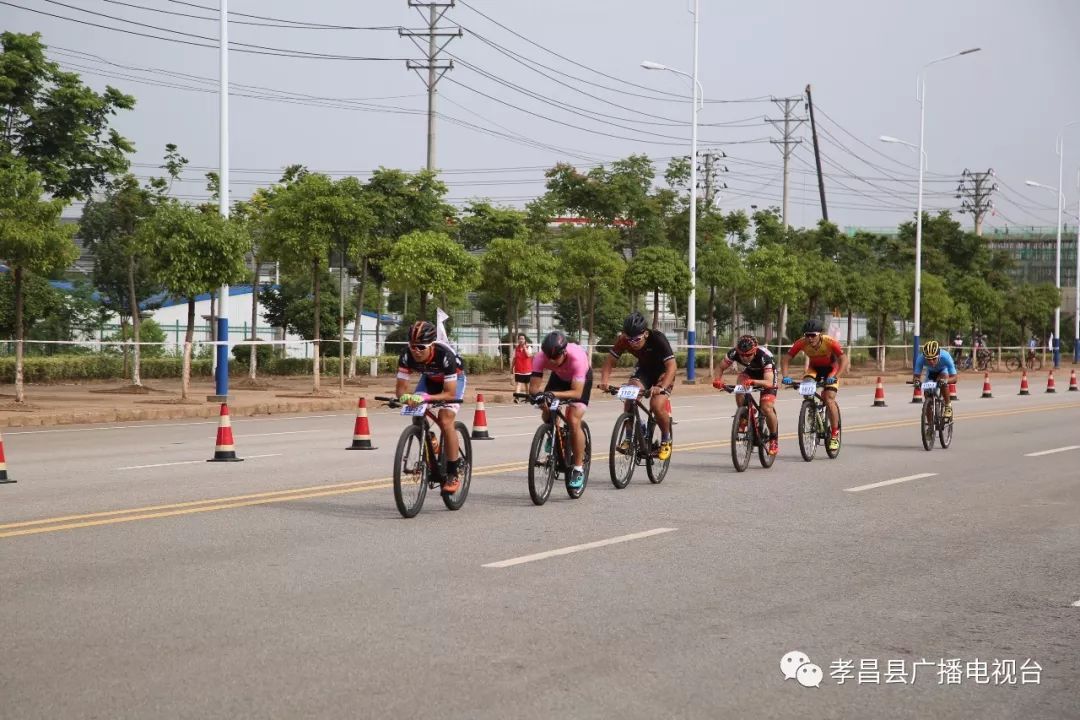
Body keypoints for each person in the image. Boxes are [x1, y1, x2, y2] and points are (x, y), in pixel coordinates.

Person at [395, 320, 467, 493]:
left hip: (453, 381)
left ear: (431, 345)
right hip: (430, 379)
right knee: (416, 410)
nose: (416, 351)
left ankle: (453, 473)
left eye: (421, 347)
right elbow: (400, 390)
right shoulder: (406, 355)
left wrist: (427, 397)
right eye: (412, 346)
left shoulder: (445, 356)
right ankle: (429, 437)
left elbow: (449, 394)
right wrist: (405, 398)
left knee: (445, 419)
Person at [599, 311, 677, 461]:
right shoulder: (623, 340)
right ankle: (629, 438)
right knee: (630, 395)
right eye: (630, 339)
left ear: (645, 334)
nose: (633, 343)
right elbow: (609, 362)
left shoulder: (658, 338)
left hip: (663, 372)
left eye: (636, 339)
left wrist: (661, 387)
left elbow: (672, 366)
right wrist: (604, 381)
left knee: (656, 405)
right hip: (644, 370)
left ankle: (666, 439)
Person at [529, 330, 593, 490]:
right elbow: (534, 388)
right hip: (559, 377)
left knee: (573, 419)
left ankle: (578, 468)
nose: (552, 360)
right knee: (545, 404)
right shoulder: (540, 357)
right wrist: (540, 397)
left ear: (564, 352)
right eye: (549, 357)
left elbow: (577, 393)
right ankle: (554, 433)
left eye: (555, 357)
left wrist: (552, 394)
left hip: (580, 382)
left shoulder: (577, 358)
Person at [781, 319, 848, 452]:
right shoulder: (801, 343)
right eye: (807, 335)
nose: (810, 338)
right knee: (807, 391)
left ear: (820, 334)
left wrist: (836, 377)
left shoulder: (829, 342)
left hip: (831, 369)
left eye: (813, 335)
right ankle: (812, 410)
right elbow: (786, 359)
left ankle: (834, 434)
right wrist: (785, 376)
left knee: (829, 398)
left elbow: (844, 359)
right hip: (814, 369)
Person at [712, 334, 780, 455]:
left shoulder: (764, 357)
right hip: (751, 372)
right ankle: (745, 414)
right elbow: (720, 367)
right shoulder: (734, 353)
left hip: (767, 376)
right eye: (742, 355)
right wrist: (717, 380)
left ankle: (773, 439)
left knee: (766, 408)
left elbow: (769, 382)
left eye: (748, 355)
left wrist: (754, 382)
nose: (744, 358)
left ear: (754, 351)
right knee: (740, 384)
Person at [912, 339, 957, 419]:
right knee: (927, 395)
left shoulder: (946, 357)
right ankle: (930, 424)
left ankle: (948, 405)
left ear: (938, 355)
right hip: (930, 372)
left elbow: (954, 378)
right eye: (928, 359)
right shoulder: (921, 358)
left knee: (942, 382)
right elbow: (916, 376)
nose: (931, 361)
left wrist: (946, 381)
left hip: (943, 371)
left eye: (934, 358)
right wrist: (916, 382)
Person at [512, 334, 533, 402]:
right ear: (518, 340)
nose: (521, 340)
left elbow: (528, 355)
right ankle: (517, 398)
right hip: (518, 370)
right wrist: (511, 368)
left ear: (525, 340)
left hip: (527, 370)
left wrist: (524, 348)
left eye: (522, 339)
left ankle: (528, 398)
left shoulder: (529, 347)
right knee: (518, 384)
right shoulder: (516, 349)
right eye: (520, 339)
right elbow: (514, 359)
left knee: (527, 385)